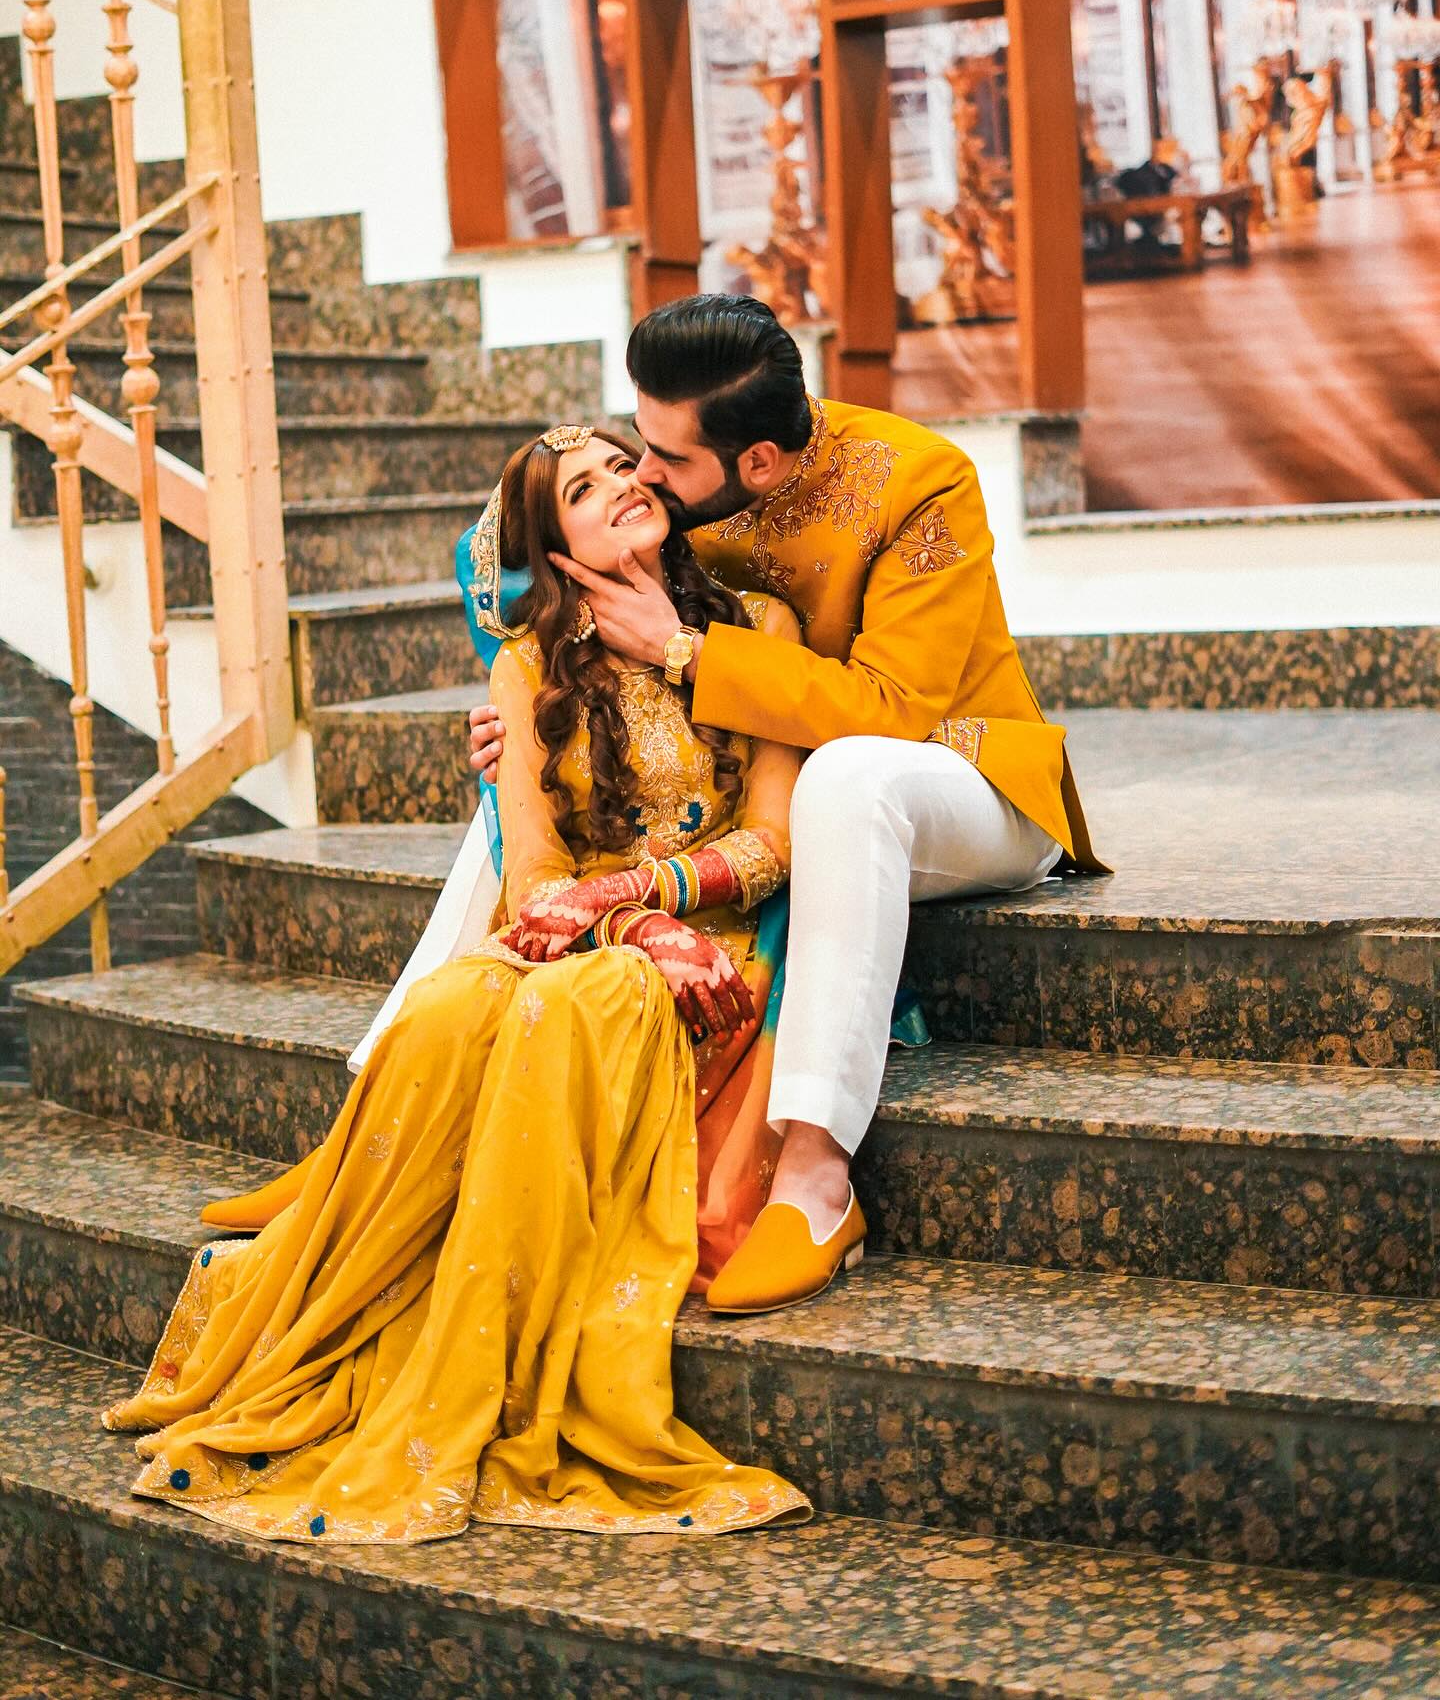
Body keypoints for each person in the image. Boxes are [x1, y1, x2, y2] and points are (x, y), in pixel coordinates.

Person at [100, 423, 812, 1545]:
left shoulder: (756, 628)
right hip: (584, 929)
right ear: (554, 547)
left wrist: (656, 903)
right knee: (446, 1008)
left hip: (714, 946)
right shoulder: (527, 668)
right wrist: (622, 916)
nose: (621, 485)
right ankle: (351, 1288)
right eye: (583, 489)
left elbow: (773, 839)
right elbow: (533, 872)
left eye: (623, 465)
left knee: (576, 1009)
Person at [466, 296, 1106, 1316]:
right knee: (537, 747)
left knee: (846, 777)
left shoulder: (922, 482)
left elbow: (890, 712)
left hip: (960, 776)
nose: (643, 473)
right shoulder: (691, 471)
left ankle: (812, 1181)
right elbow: (524, 549)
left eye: (664, 458)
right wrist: (520, 697)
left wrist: (684, 650)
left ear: (757, 461)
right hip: (796, 775)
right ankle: (399, 1109)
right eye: (638, 443)